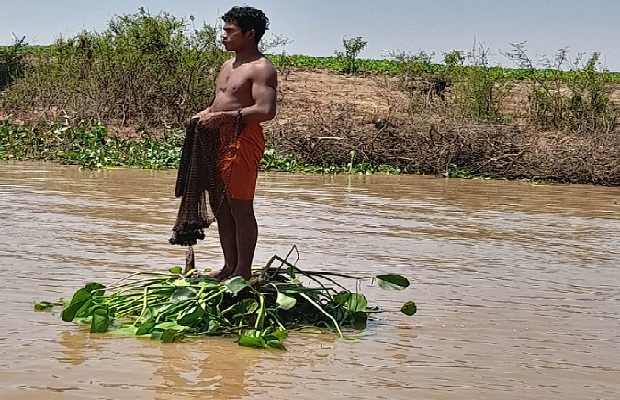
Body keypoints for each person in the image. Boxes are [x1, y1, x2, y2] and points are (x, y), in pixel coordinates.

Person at [193, 6, 277, 281]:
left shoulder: (262, 68)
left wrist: (225, 117)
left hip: (243, 138)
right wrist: (206, 114)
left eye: (231, 31)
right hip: (217, 137)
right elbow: (220, 101)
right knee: (220, 205)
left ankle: (243, 270)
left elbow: (266, 110)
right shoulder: (227, 66)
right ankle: (229, 266)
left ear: (250, 34)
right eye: (224, 30)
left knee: (240, 206)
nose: (223, 37)